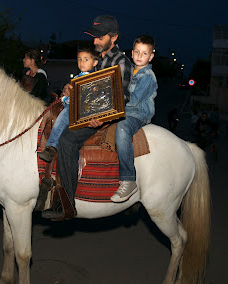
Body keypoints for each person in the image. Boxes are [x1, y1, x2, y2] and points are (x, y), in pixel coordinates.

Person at [42, 15, 133, 220]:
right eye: (94, 37)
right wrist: (69, 89)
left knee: (66, 140)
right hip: (86, 113)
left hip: (104, 118)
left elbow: (123, 98)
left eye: (100, 37)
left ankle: (66, 204)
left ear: (114, 37)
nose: (95, 41)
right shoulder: (95, 58)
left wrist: (102, 118)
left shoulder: (122, 62)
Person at [110, 35, 158, 202]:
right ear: (132, 52)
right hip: (122, 110)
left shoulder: (148, 76)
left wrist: (112, 106)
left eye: (144, 53)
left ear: (151, 56)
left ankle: (128, 179)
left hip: (137, 114)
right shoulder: (128, 71)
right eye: (137, 51)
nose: (139, 56)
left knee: (122, 129)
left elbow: (133, 99)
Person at [39, 47, 99, 162]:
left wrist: (66, 99)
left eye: (86, 59)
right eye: (79, 59)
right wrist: (64, 98)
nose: (81, 62)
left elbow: (83, 98)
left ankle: (51, 146)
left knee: (65, 114)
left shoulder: (93, 78)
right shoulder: (77, 77)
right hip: (71, 104)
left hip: (81, 109)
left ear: (95, 62)